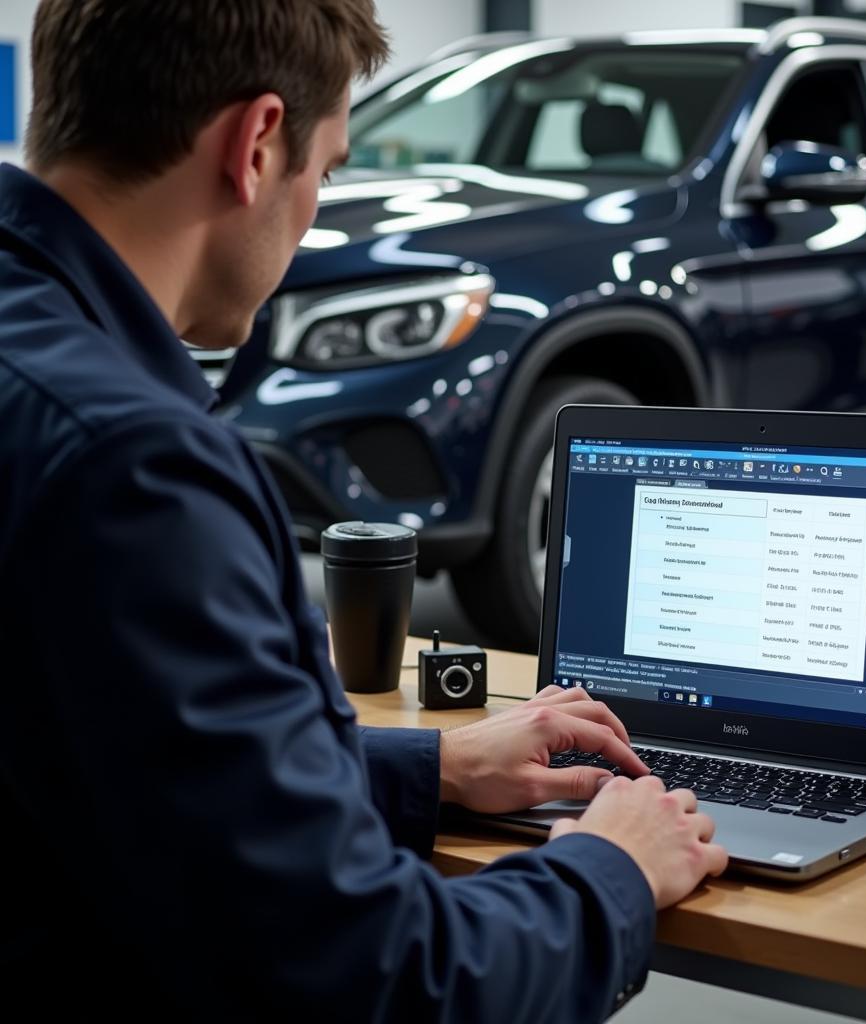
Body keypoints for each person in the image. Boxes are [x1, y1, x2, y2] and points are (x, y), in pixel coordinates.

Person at [0, 2, 727, 1020]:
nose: (313, 213)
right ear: (257, 144)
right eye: (327, 168)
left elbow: (124, 743)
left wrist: (437, 766)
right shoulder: (138, 470)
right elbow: (374, 978)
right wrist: (611, 865)